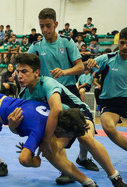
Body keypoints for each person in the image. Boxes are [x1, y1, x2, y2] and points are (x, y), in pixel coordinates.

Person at [15, 53, 127, 187]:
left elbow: (56, 109)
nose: (19, 76)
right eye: (17, 71)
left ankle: (115, 178)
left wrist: (45, 140)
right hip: (59, 123)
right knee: (49, 151)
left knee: (85, 138)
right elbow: (27, 125)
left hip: (78, 112)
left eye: (24, 71)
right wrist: (14, 127)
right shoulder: (23, 97)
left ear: (37, 72)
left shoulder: (47, 83)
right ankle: (88, 183)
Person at [27, 8, 96, 183]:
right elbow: (25, 64)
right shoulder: (35, 46)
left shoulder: (67, 42)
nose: (44, 30)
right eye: (42, 26)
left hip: (69, 90)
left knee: (83, 131)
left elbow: (80, 67)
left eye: (48, 26)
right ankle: (66, 169)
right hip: (49, 95)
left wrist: (64, 72)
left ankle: (82, 157)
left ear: (56, 24)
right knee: (57, 132)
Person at [87, 27, 127, 152]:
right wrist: (89, 62)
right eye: (122, 43)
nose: (125, 46)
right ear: (118, 43)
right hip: (110, 104)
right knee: (108, 127)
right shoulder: (108, 58)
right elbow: (85, 66)